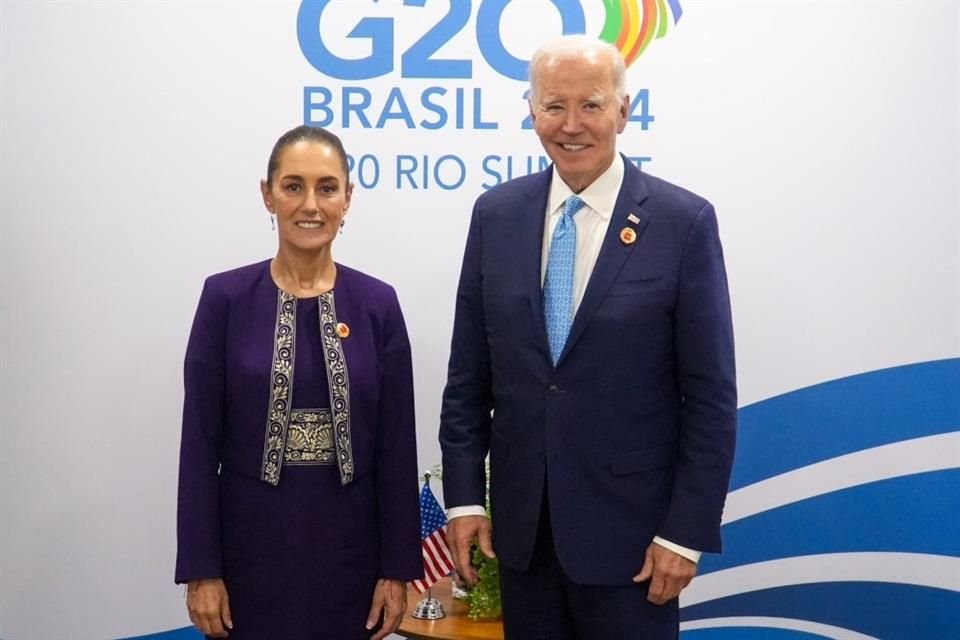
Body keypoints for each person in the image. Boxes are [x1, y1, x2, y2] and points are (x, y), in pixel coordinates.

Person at [439, 36, 737, 639]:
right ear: (532, 112)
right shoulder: (495, 215)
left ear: (623, 111)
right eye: (554, 106)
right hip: (523, 541)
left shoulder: (683, 223)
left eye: (591, 105)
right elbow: (468, 378)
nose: (571, 125)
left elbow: (709, 397)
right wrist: (466, 500)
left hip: (635, 547)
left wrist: (685, 533)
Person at [175, 125, 422, 639]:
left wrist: (397, 569)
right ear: (268, 195)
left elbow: (397, 448)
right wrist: (202, 569)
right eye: (293, 186)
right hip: (248, 554)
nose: (311, 204)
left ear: (347, 198)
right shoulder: (224, 300)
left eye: (327, 188)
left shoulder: (378, 305)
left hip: (351, 555)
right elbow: (198, 444)